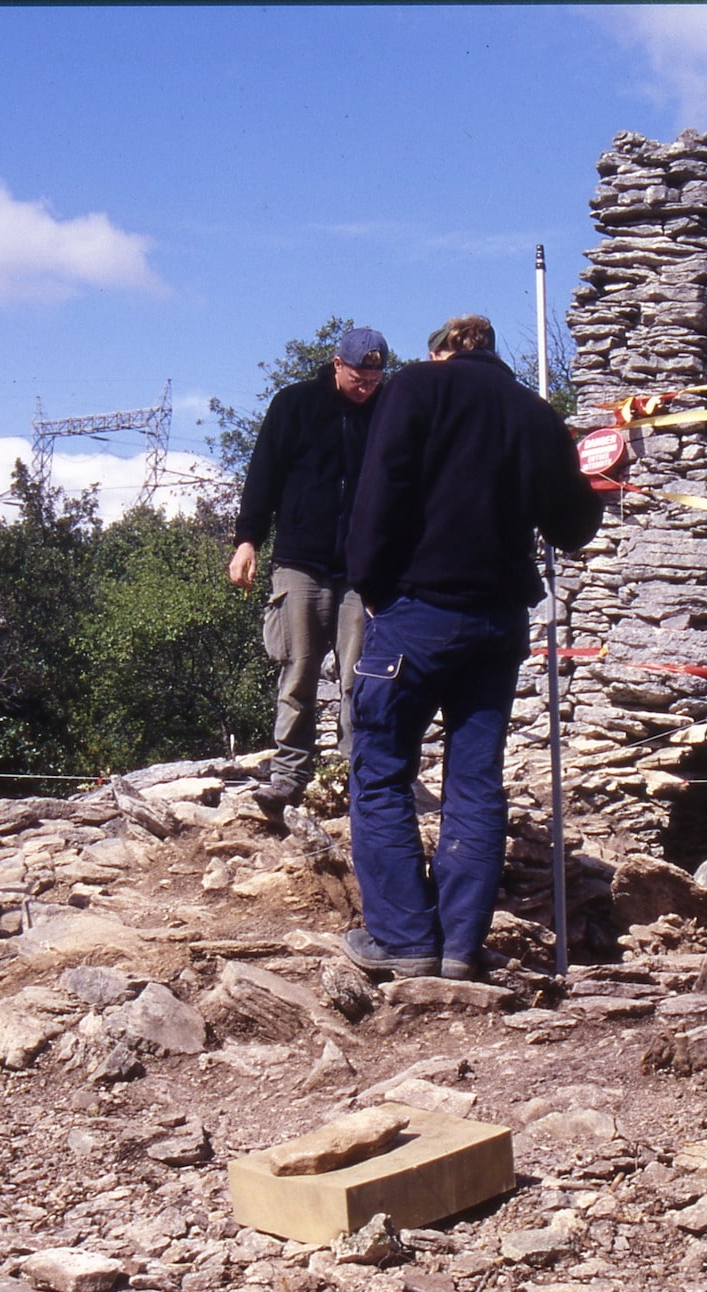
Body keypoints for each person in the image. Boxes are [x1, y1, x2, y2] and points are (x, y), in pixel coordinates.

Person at [343, 314, 602, 980]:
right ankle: (459, 946)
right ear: (491, 354)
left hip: (418, 609)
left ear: (440, 353)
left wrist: (370, 586)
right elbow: (573, 526)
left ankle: (404, 940)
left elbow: (379, 492)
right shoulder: (534, 413)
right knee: (475, 780)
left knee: (381, 769)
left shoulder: (414, 391)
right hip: (497, 623)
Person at [229, 326, 389, 812]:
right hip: (300, 561)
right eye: (358, 378)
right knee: (297, 671)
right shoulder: (294, 404)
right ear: (337, 365)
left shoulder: (388, 413)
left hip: (362, 568)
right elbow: (263, 475)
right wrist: (248, 539)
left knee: (358, 677)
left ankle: (356, 777)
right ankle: (289, 775)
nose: (366, 387)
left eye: (374, 379)